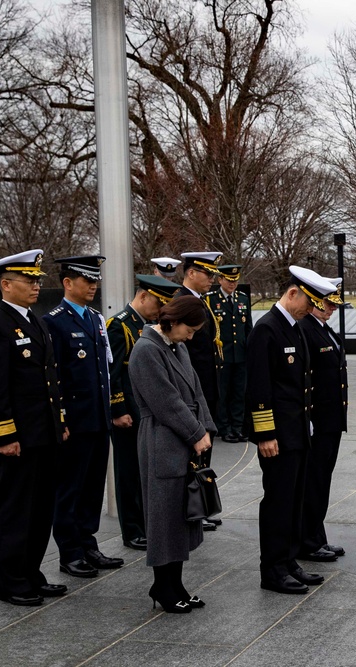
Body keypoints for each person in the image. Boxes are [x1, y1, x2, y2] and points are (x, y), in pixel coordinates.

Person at [0, 250, 69, 606]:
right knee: (16, 511)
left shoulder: (35, 321)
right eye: (29, 280)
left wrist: (59, 424)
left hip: (43, 436)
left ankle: (31, 573)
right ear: (5, 284)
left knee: (41, 509)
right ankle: (12, 582)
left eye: (37, 279)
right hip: (18, 440)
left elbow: (49, 381)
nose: (36, 285)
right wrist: (5, 436)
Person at [245, 266, 336, 594]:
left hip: (298, 434)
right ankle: (272, 569)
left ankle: (288, 561)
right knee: (278, 502)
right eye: (308, 302)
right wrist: (265, 434)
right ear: (292, 292)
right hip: (278, 437)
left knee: (295, 501)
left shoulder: (294, 328)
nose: (311, 310)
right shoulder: (266, 329)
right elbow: (258, 387)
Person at [129, 295, 215, 612]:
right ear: (173, 322)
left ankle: (175, 584)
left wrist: (206, 429)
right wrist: (196, 433)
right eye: (189, 330)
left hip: (184, 438)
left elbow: (196, 391)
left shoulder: (176, 346)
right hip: (162, 440)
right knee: (164, 517)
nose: (191, 336)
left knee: (181, 516)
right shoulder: (147, 350)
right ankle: (163, 587)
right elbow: (166, 402)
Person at [44, 255, 123, 578]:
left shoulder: (94, 318)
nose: (93, 286)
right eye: (86, 280)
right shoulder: (55, 321)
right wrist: (60, 420)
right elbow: (54, 376)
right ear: (67, 283)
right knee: (70, 488)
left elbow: (104, 369)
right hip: (74, 421)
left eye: (95, 281)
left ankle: (88, 543)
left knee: (92, 486)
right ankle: (70, 551)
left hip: (97, 417)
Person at [106, 275, 181, 551]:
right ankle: (133, 530)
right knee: (128, 472)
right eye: (159, 303)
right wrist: (118, 409)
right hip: (128, 414)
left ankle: (147, 524)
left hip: (147, 412)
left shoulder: (149, 326)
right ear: (143, 296)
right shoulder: (120, 326)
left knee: (144, 471)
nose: (161, 310)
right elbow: (113, 373)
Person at [298, 277, 348, 563]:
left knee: (322, 481)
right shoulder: (306, 330)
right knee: (314, 482)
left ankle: (318, 536)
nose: (331, 309)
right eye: (327, 303)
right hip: (318, 420)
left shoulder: (323, 330)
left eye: (333, 305)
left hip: (331, 420)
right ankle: (308, 541)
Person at [176, 251, 223, 530]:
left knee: (204, 452)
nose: (212, 280)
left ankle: (200, 506)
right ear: (191, 273)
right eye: (208, 274)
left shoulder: (199, 301)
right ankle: (191, 509)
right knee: (192, 453)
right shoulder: (181, 301)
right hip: (191, 389)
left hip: (205, 386)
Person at [206, 265, 253, 443]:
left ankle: (238, 427)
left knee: (239, 392)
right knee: (223, 392)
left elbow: (248, 326)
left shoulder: (242, 298)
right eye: (229, 280)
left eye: (235, 280)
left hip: (240, 354)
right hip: (222, 355)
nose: (232, 284)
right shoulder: (211, 299)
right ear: (220, 280)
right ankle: (224, 428)